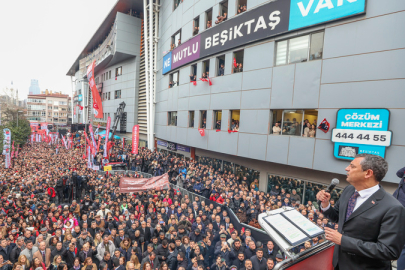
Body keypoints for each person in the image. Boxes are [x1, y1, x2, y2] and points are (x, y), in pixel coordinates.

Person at [316, 154, 405, 270]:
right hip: (339, 264)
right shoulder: (349, 190)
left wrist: (343, 240)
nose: (346, 168)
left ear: (368, 173)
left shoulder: (393, 207)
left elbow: (388, 251)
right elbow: (337, 216)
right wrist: (325, 204)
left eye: (352, 166)